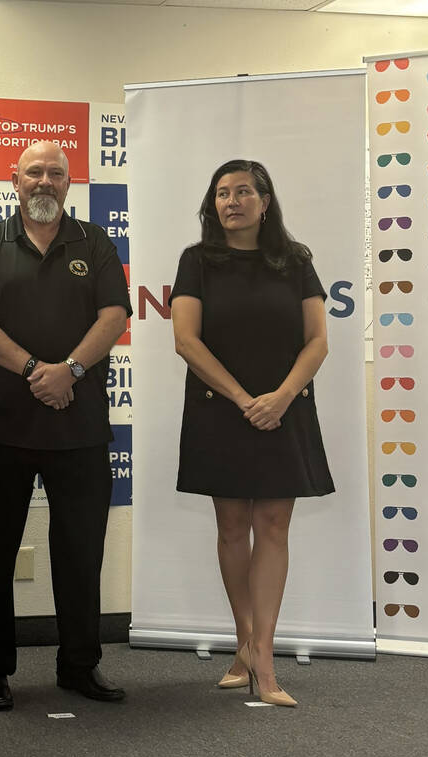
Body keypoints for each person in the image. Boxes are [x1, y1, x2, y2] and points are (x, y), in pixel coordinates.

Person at [0, 141, 132, 711]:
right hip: (2, 424)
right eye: (35, 171)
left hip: (78, 425)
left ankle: (79, 666)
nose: (45, 181)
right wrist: (36, 371)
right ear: (14, 179)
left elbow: (114, 315)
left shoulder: (96, 242)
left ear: (68, 183)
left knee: (81, 552)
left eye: (56, 173)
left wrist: (71, 372)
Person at [170, 159, 334, 708]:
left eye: (244, 192)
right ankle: (250, 645)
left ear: (266, 202)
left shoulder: (296, 262)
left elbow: (317, 342)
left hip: (284, 409)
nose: (231, 201)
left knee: (274, 522)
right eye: (221, 192)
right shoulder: (198, 262)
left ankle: (259, 653)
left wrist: (281, 397)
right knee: (232, 523)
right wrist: (244, 400)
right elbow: (186, 341)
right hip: (223, 409)